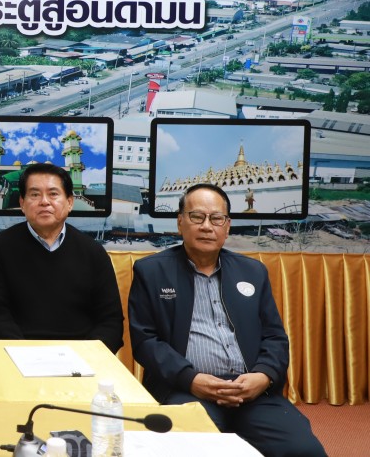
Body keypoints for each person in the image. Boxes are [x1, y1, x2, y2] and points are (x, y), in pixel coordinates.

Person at [128, 183, 326, 457]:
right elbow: (145, 341)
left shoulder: (253, 271)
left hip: (252, 393)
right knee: (194, 450)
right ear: (180, 222)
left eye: (216, 218)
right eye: (197, 217)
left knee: (304, 450)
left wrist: (263, 376)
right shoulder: (151, 271)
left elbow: (275, 337)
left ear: (227, 225)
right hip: (187, 389)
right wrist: (191, 379)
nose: (206, 226)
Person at [0, 163, 124, 352]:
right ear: (22, 203)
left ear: (69, 202)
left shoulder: (93, 252)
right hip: (18, 355)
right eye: (35, 194)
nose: (44, 202)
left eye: (53, 194)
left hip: (81, 357)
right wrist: (22, 354)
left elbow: (110, 320)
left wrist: (87, 357)